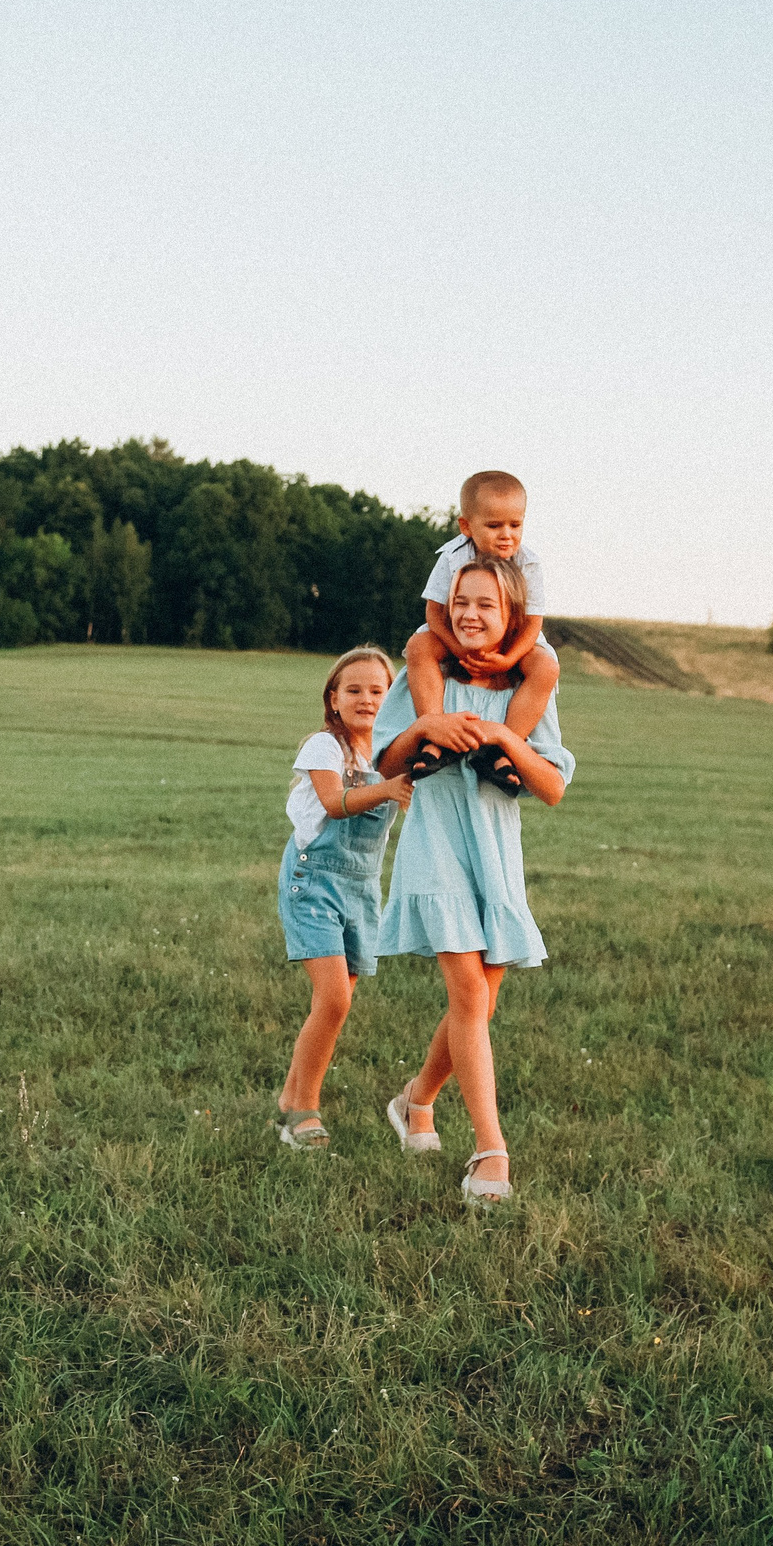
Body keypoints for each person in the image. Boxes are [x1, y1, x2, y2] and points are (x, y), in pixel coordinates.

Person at [370, 557, 575, 1204]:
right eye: (460, 601)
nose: (468, 613)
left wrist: (504, 741)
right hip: (436, 850)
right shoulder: (422, 678)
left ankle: (415, 1100)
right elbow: (385, 757)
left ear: (513, 617)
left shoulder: (526, 694)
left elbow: (552, 787)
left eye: (485, 604)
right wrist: (427, 727)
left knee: (480, 1002)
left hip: (495, 859)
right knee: (466, 992)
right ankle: (492, 1151)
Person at [271, 646, 416, 1150]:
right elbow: (334, 804)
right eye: (353, 690)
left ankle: (289, 1103)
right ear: (334, 699)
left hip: (360, 887)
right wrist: (391, 788)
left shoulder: (391, 754)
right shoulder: (324, 748)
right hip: (313, 883)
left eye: (379, 691)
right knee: (332, 998)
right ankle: (304, 1112)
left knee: (338, 1003)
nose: (367, 699)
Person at [400, 471, 560, 797]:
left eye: (515, 525)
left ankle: (500, 749)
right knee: (419, 646)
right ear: (466, 526)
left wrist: (507, 661)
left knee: (545, 666)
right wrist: (457, 650)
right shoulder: (453, 556)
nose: (506, 535)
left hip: (515, 638)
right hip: (454, 632)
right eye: (494, 526)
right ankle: (436, 732)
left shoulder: (528, 562)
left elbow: (532, 623)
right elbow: (434, 612)